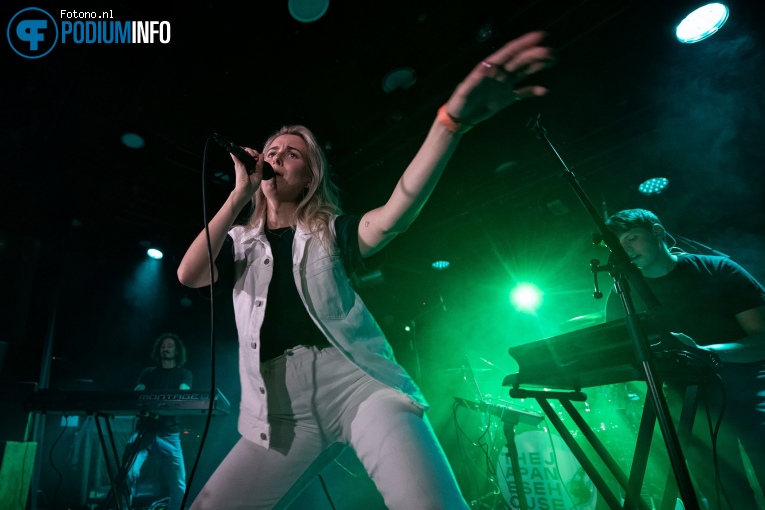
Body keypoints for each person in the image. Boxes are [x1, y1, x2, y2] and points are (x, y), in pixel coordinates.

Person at [177, 31, 554, 509]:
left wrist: (449, 123)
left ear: (310, 176)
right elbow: (189, 274)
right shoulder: (238, 244)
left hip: (359, 385)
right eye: (271, 151)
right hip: (279, 411)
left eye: (292, 153)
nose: (275, 158)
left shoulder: (331, 232)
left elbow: (398, 210)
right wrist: (237, 196)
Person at [604, 208, 765, 509]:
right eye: (618, 245)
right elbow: (621, 357)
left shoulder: (718, 269)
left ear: (657, 232)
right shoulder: (622, 296)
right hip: (688, 402)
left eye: (632, 238)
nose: (626, 249)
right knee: (725, 499)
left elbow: (762, 338)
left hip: (750, 389)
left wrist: (707, 353)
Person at [122, 333, 192, 510]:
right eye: (162, 346)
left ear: (176, 351)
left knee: (179, 484)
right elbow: (138, 392)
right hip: (144, 432)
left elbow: (183, 395)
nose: (165, 349)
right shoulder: (148, 373)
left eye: (169, 346)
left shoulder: (184, 374)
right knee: (128, 473)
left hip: (169, 434)